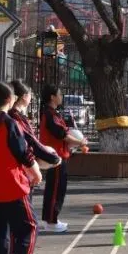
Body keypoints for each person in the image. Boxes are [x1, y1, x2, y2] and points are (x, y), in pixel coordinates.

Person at [0, 81, 43, 254]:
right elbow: (22, 152)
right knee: (28, 226)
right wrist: (36, 171)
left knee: (0, 231)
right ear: (9, 99)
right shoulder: (8, 123)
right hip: (11, 184)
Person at [38, 84, 85, 233]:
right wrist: (80, 142)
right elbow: (61, 134)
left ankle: (50, 219)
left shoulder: (52, 113)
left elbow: (63, 133)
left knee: (55, 189)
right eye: (59, 93)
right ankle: (51, 221)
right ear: (52, 97)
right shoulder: (50, 114)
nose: (61, 96)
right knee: (56, 189)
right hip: (55, 157)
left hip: (58, 156)